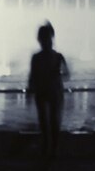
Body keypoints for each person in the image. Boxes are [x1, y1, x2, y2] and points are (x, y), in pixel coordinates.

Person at [27, 21, 70, 158]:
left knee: (46, 121)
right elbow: (67, 75)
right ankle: (53, 148)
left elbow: (32, 76)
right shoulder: (58, 57)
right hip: (55, 91)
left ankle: (47, 147)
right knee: (53, 121)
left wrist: (30, 90)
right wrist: (57, 75)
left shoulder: (38, 57)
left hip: (43, 91)